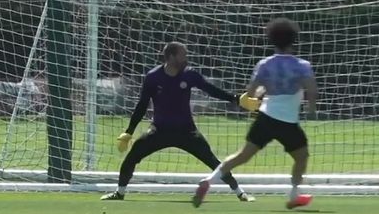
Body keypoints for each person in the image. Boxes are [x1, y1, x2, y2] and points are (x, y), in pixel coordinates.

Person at [101, 41, 260, 202]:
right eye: (183, 55)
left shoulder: (190, 74)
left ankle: (240, 192)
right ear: (171, 57)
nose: (186, 58)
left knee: (212, 160)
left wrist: (235, 99)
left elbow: (210, 89)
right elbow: (142, 105)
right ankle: (119, 193)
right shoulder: (153, 77)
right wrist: (129, 131)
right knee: (133, 155)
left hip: (187, 131)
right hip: (159, 131)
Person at [192, 18, 317, 209]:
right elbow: (312, 90)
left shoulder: (265, 64)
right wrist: (311, 107)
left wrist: (260, 94)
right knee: (302, 156)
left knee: (242, 155)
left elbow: (250, 92)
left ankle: (209, 180)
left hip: (266, 117)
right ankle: (293, 195)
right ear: (294, 39)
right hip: (288, 122)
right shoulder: (302, 66)